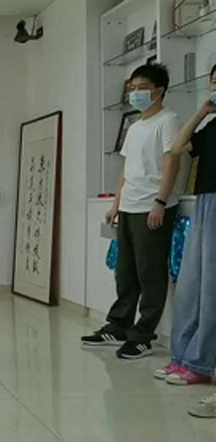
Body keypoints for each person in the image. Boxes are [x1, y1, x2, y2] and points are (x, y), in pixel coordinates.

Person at [82, 63, 182, 359]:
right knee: (125, 272)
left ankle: (143, 335)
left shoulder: (169, 120)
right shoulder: (136, 126)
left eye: (142, 88)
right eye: (133, 88)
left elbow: (172, 163)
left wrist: (160, 202)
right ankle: (119, 325)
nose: (136, 93)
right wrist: (116, 204)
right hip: (128, 206)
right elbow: (126, 169)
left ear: (159, 91)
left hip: (153, 207)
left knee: (150, 274)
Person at [152, 64, 216, 404]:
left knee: (211, 289)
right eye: (214, 82)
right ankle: (182, 356)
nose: (215, 87)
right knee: (191, 285)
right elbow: (177, 147)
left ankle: (201, 362)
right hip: (205, 203)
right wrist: (202, 111)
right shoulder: (211, 126)